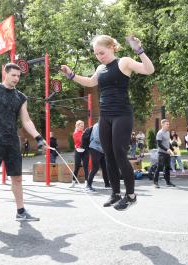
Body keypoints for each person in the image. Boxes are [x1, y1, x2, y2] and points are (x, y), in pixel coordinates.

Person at [61, 34, 154, 210]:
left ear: (111, 47)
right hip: (105, 116)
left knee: (119, 152)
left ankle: (131, 195)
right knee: (108, 155)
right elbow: (90, 82)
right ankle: (115, 193)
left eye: (101, 53)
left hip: (122, 114)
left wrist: (139, 50)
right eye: (96, 54)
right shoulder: (100, 68)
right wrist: (71, 75)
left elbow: (149, 70)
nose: (99, 57)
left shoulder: (124, 62)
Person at [0, 63, 46, 230]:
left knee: (17, 178)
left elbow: (26, 120)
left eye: (18, 76)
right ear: (5, 73)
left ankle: (21, 212)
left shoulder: (20, 97)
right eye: (13, 75)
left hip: (13, 142)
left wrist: (38, 137)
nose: (16, 79)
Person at [86, 122, 110, 191]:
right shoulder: (97, 125)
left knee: (105, 167)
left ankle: (107, 184)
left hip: (102, 149)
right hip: (95, 148)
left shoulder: (105, 125)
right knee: (95, 167)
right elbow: (97, 138)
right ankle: (88, 185)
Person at [153, 119, 175, 188]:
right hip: (161, 153)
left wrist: (172, 149)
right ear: (162, 124)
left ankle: (168, 182)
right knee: (160, 167)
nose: (168, 125)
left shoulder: (168, 132)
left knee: (167, 167)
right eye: (167, 124)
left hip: (167, 153)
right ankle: (155, 182)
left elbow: (168, 143)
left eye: (168, 124)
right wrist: (167, 149)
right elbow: (159, 144)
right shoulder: (159, 133)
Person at [71, 120, 89, 188]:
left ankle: (87, 182)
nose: (82, 127)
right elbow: (81, 141)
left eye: (83, 126)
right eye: (81, 126)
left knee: (86, 166)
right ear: (77, 126)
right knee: (76, 167)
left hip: (85, 151)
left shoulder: (84, 132)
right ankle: (73, 182)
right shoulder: (75, 133)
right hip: (78, 151)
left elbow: (87, 141)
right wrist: (86, 135)